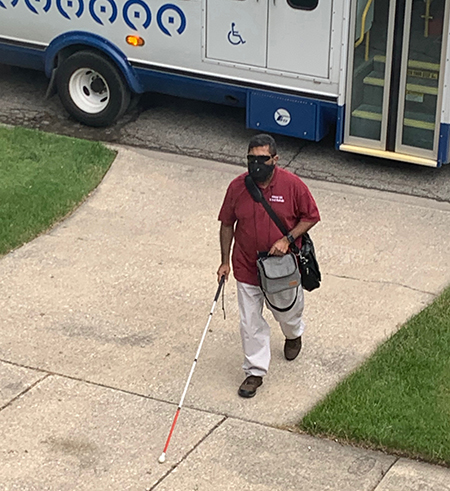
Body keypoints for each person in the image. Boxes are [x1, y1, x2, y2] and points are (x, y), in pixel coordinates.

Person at [217, 134, 320, 398]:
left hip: (281, 268)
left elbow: (311, 216)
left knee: (287, 312)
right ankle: (254, 372)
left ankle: (293, 333)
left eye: (262, 159)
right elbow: (227, 223)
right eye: (251, 159)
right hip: (246, 266)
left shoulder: (292, 185)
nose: (256, 165)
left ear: (275, 159)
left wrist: (287, 240)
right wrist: (224, 262)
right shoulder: (237, 187)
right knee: (249, 321)